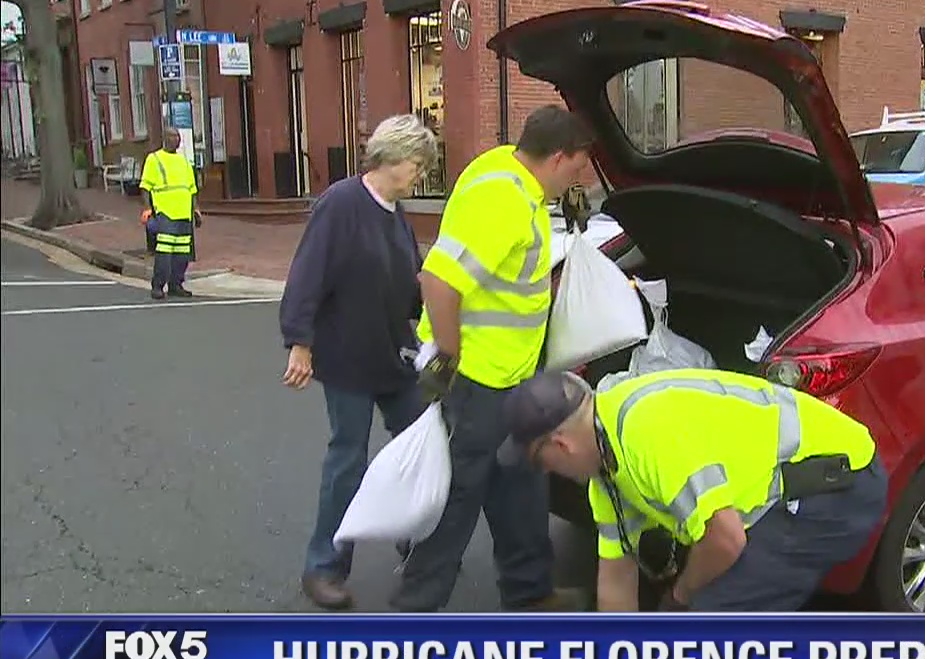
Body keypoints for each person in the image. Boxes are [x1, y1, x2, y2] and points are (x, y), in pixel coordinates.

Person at [394, 105, 595, 612]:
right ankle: (414, 608)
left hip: (511, 378)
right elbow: (438, 280)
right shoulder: (504, 198)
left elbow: (506, 272)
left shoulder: (511, 172)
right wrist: (447, 357)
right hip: (475, 380)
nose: (579, 180)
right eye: (577, 169)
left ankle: (530, 592)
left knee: (521, 484)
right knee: (459, 494)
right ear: (557, 157)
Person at [494, 368, 890, 612]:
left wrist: (680, 596)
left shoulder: (647, 436)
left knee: (713, 620)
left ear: (560, 445)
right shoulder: (606, 470)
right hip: (785, 496)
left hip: (836, 485)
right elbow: (616, 580)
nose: (546, 472)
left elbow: (725, 539)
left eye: (540, 462)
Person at [279, 114, 437, 611]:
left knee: (418, 449)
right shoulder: (342, 203)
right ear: (391, 156)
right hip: (347, 356)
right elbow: (308, 273)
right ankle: (323, 567)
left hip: (395, 354)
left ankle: (416, 544)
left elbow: (407, 281)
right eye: (417, 164)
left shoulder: (396, 214)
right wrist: (299, 341)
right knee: (347, 460)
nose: (420, 175)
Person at [139, 127, 200, 300]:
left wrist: (195, 210)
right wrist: (147, 209)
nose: (177, 139)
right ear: (165, 138)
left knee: (182, 254)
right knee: (164, 252)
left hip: (184, 214)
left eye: (178, 136)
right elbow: (145, 187)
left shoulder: (184, 162)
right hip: (165, 213)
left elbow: (191, 189)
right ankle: (158, 286)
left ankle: (176, 285)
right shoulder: (154, 159)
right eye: (173, 136)